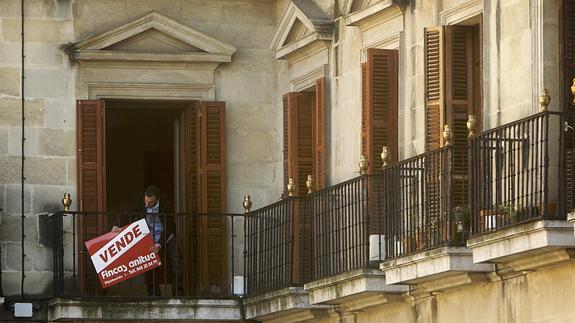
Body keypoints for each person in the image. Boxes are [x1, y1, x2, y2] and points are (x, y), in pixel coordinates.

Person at [115, 185, 183, 296]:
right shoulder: (142, 201)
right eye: (146, 201)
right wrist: (117, 225)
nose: (147, 204)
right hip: (149, 236)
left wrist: (159, 244)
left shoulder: (166, 204)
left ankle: (178, 293)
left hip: (166, 236)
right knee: (149, 266)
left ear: (157, 199)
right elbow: (129, 212)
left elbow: (169, 227)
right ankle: (154, 293)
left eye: (150, 203)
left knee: (175, 264)